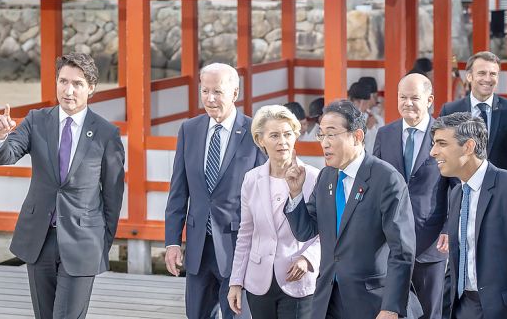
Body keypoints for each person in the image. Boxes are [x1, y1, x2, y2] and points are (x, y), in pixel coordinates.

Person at [0, 52, 125, 319]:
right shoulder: (36, 120)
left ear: (91, 88)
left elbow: (113, 196)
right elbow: (6, 155)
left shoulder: (107, 134)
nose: (68, 90)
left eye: (77, 83)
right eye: (63, 82)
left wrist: (101, 242)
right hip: (39, 239)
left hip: (83, 242)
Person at [284, 100, 422, 319]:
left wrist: (391, 307)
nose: (324, 143)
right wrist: (295, 194)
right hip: (328, 298)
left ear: (357, 136)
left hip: (372, 300)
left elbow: (402, 250)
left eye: (331, 134)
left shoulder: (386, 179)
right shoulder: (326, 176)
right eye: (321, 135)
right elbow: (305, 230)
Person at [164, 63, 266, 319]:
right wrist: (173, 242)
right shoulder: (189, 130)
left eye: (217, 91)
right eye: (205, 90)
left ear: (235, 93)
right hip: (198, 247)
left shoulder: (255, 133)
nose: (210, 98)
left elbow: (262, 196)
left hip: (238, 247)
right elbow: (178, 191)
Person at [432, 112, 507, 319]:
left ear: (469, 146)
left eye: (442, 143)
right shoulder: (457, 193)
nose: (433, 152)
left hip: (505, 311)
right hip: (462, 308)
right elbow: (457, 262)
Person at [228, 105, 321, 319]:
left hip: (297, 278)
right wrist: (236, 282)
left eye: (288, 134)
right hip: (258, 281)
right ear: (261, 140)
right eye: (275, 135)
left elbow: (326, 231)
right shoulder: (251, 179)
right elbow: (245, 234)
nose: (283, 141)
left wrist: (307, 259)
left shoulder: (314, 178)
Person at [373, 73, 450, 319]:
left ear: (429, 100)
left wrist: (449, 228)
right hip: (390, 242)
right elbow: (375, 184)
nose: (407, 103)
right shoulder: (385, 134)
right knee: (393, 310)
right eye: (402, 97)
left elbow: (456, 186)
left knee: (429, 312)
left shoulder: (445, 135)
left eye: (414, 98)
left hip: (430, 240)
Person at [439, 51, 507, 172]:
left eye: (493, 74)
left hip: (502, 186)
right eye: (482, 73)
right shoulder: (450, 110)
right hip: (460, 185)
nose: (487, 79)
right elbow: (442, 152)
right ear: (469, 76)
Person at [349, 82, 380, 153]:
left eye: (365, 103)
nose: (362, 106)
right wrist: (368, 128)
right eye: (358, 102)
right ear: (350, 100)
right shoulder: (343, 118)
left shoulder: (372, 118)